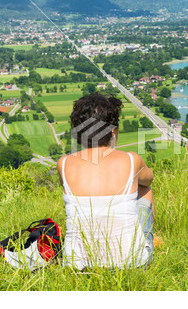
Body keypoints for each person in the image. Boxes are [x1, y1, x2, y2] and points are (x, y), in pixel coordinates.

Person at [57, 93, 155, 270]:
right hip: (131, 263)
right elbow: (149, 179)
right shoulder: (132, 161)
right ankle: (147, 241)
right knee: (144, 190)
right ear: (113, 131)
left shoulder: (63, 164)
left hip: (77, 266)